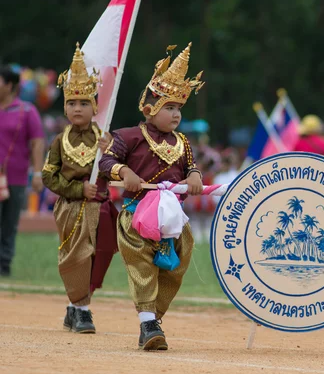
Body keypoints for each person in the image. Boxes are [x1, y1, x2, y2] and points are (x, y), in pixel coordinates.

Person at [99, 43, 204, 351]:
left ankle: (152, 318)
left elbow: (191, 168)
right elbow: (105, 162)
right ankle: (148, 324)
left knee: (177, 264)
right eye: (169, 108)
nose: (176, 114)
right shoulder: (128, 136)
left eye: (179, 109)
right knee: (142, 265)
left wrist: (195, 177)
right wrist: (123, 172)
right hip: (138, 214)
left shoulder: (183, 142)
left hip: (173, 218)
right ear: (150, 109)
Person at [42, 43, 117, 333]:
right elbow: (49, 177)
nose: (78, 108)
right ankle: (83, 311)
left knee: (99, 254)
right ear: (64, 106)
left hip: (101, 208)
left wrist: (109, 154)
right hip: (71, 208)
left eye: (84, 103)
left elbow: (113, 171)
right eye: (72, 103)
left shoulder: (105, 138)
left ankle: (75, 307)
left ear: (95, 106)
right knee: (78, 255)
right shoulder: (59, 142)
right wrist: (77, 190)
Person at [0, 66, 45, 276]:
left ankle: (4, 264)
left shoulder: (26, 111)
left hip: (15, 177)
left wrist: (37, 173)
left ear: (9, 85)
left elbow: (37, 142)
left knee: (9, 222)